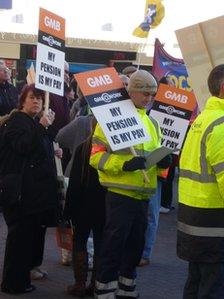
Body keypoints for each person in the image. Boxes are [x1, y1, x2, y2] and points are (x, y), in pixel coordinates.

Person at [90, 70, 167, 299]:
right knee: (113, 247)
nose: (149, 98)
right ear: (131, 92)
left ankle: (126, 288)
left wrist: (164, 163)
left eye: (152, 94)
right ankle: (104, 289)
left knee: (135, 247)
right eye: (145, 93)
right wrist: (124, 165)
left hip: (143, 196)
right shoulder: (109, 120)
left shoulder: (152, 122)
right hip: (119, 194)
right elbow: (95, 157)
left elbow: (154, 158)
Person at [0, 84, 61, 294]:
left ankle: (21, 278)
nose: (36, 101)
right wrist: (42, 126)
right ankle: (13, 283)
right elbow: (23, 147)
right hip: (20, 193)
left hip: (31, 193)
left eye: (39, 99)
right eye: (32, 98)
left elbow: (37, 149)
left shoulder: (32, 122)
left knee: (26, 237)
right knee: (19, 239)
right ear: (22, 100)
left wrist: (53, 150)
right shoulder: (17, 121)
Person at [177, 64, 224, 298]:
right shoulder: (221, 125)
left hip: (193, 218)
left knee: (196, 283)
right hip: (215, 223)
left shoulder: (203, 119)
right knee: (213, 288)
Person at [63, 116, 106, 297]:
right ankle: (96, 284)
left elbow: (74, 183)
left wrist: (68, 210)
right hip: (104, 205)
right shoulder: (111, 150)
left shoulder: (83, 148)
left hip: (82, 205)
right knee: (100, 244)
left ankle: (79, 283)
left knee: (79, 241)